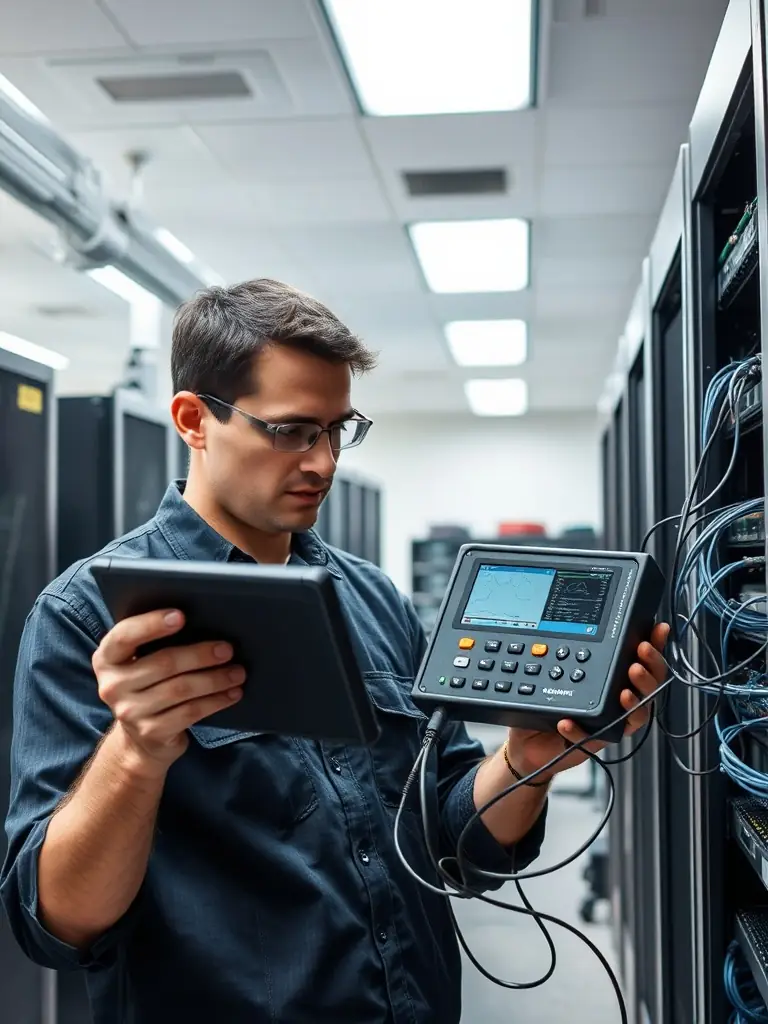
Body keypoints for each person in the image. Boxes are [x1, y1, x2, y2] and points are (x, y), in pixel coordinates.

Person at [1, 279, 668, 1023]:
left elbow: (450, 845)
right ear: (194, 420)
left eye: (337, 430)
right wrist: (135, 752)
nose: (323, 462)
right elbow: (57, 921)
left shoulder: (373, 598)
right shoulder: (88, 617)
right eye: (291, 431)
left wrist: (523, 763)